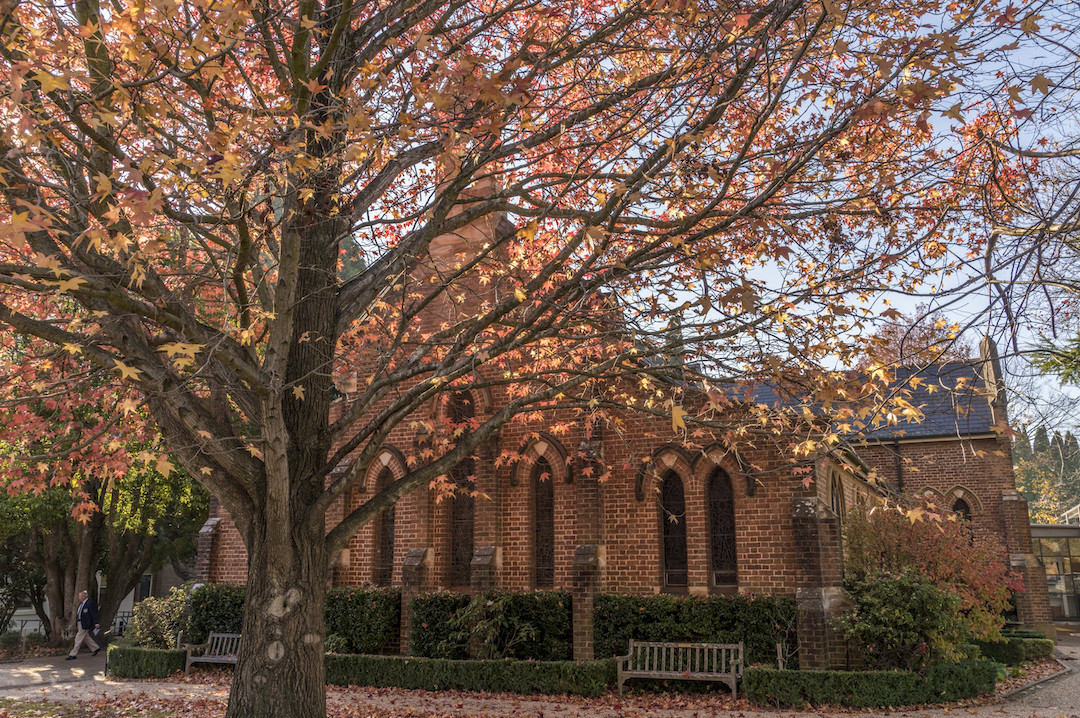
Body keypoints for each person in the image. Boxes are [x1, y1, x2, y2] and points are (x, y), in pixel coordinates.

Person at [66, 590, 100, 659]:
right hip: (80, 622)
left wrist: (96, 623)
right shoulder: (81, 604)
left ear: (84, 597)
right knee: (85, 637)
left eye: (80, 596)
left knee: (78, 638)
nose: (79, 598)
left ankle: (73, 654)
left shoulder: (89, 603)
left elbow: (94, 614)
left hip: (85, 623)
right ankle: (95, 648)